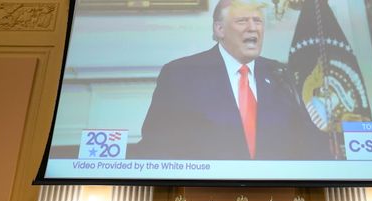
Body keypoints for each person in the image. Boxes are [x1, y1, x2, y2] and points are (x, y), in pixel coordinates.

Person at [134, 0, 330, 160]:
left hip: (274, 193)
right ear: (219, 29)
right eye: (242, 21)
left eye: (258, 21)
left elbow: (307, 139)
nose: (253, 28)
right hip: (202, 194)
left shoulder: (278, 73)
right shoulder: (181, 73)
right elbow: (156, 144)